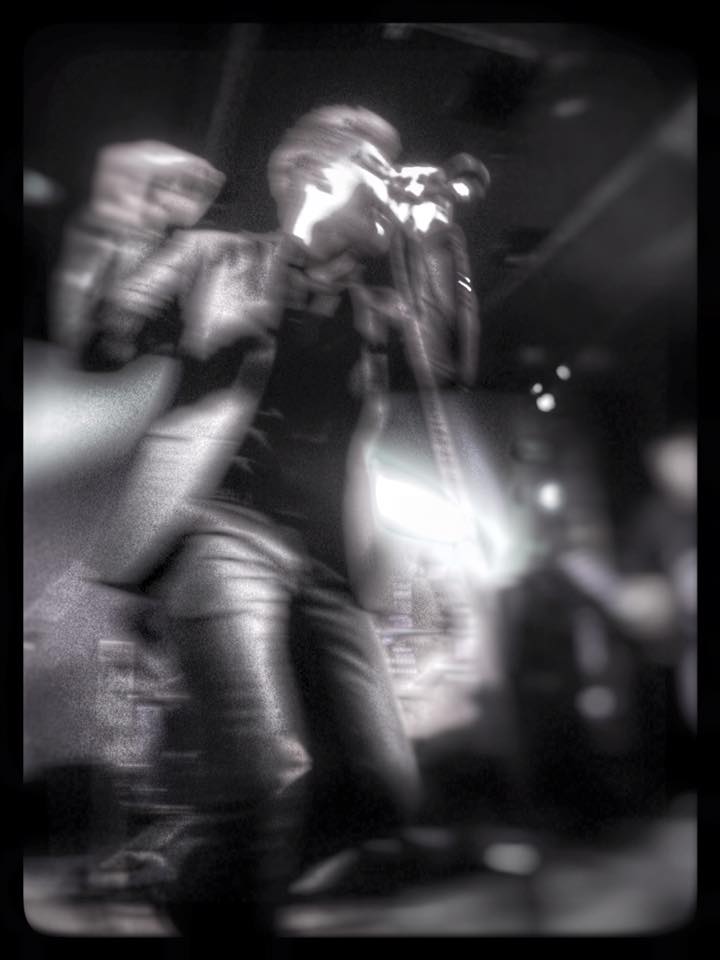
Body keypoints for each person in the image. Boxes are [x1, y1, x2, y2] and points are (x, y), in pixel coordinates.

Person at [69, 105, 483, 937]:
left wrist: (438, 241)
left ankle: (189, 875)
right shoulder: (213, 257)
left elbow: (451, 365)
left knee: (380, 791)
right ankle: (222, 898)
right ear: (316, 171)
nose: (390, 185)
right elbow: (101, 343)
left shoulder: (377, 307)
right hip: (219, 529)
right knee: (264, 774)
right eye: (375, 166)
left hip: (329, 559)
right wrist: (126, 220)